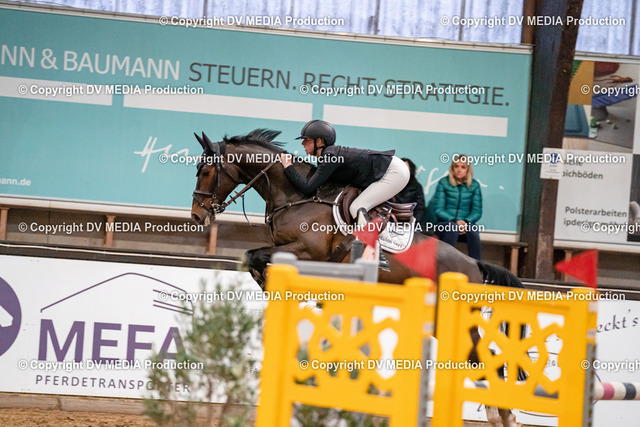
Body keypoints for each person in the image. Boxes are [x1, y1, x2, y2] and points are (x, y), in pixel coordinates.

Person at [279, 120, 410, 269]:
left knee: (357, 206)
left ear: (319, 141)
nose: (303, 144)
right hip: (391, 169)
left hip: (395, 172)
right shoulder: (328, 156)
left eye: (306, 139)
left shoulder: (329, 156)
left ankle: (375, 252)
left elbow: (308, 188)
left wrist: (288, 166)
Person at [432, 154, 483, 260]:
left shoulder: (474, 185)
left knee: (473, 229)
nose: (459, 170)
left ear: (468, 169)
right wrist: (455, 221)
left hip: (466, 224)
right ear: (452, 168)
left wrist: (465, 222)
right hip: (445, 224)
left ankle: (477, 265)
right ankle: (445, 263)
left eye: (463, 167)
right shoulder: (443, 183)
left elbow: (477, 211)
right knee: (452, 227)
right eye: (456, 166)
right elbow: (438, 210)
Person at [393, 158, 427, 233]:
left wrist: (414, 222)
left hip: (411, 223)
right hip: (391, 222)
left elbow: (420, 208)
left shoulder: (417, 187)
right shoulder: (390, 185)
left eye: (406, 169)